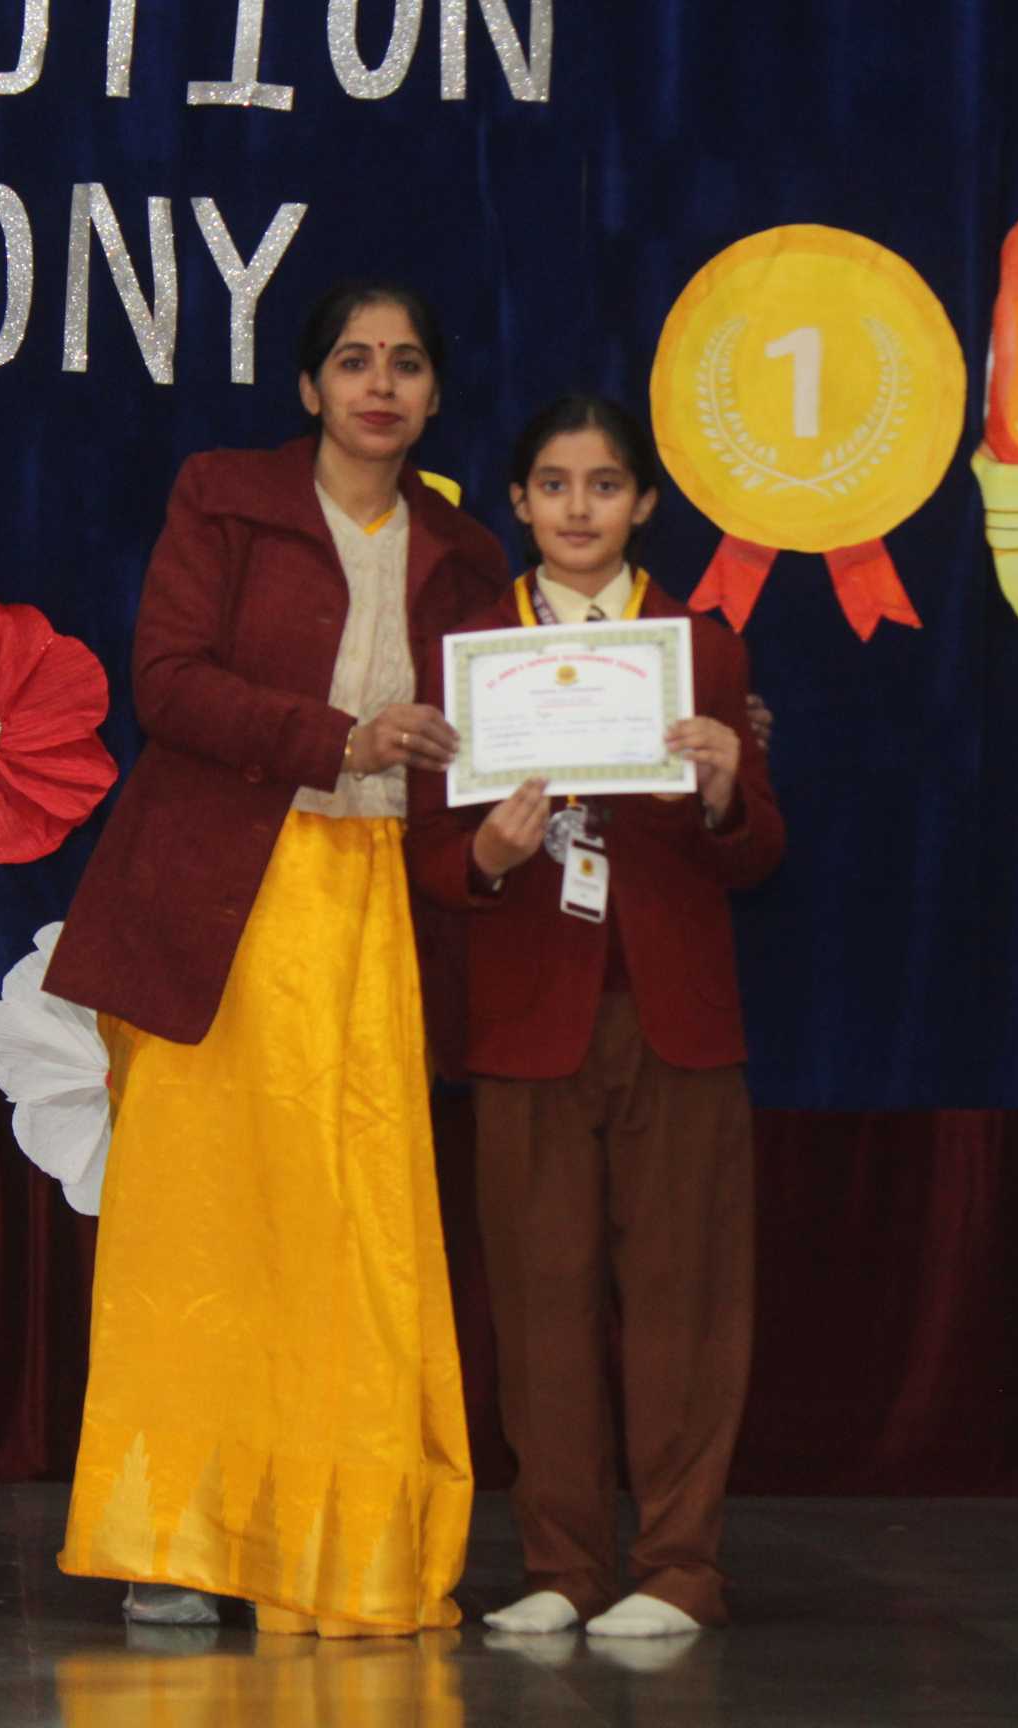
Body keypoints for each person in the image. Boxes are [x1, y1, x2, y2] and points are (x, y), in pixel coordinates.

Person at [42, 281, 509, 1636]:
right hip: (219, 904)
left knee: (355, 1231)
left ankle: (344, 1542)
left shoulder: (467, 553)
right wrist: (337, 740)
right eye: (354, 361)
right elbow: (167, 681)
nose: (381, 385)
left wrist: (668, 722)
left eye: (406, 363)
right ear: (310, 388)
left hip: (376, 909)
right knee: (197, 1228)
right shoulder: (227, 497)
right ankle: (177, 1542)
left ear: (435, 394)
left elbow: (500, 730)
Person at [405, 394, 784, 1638]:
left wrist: (725, 790)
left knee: (684, 1296)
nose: (580, 509)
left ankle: (678, 1569)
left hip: (676, 1016)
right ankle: (561, 1569)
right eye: (556, 485)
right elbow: (432, 856)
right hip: (529, 1018)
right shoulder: (471, 650)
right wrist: (491, 856)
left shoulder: (703, 649)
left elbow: (758, 854)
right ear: (518, 502)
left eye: (606, 485)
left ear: (645, 504)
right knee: (539, 1301)